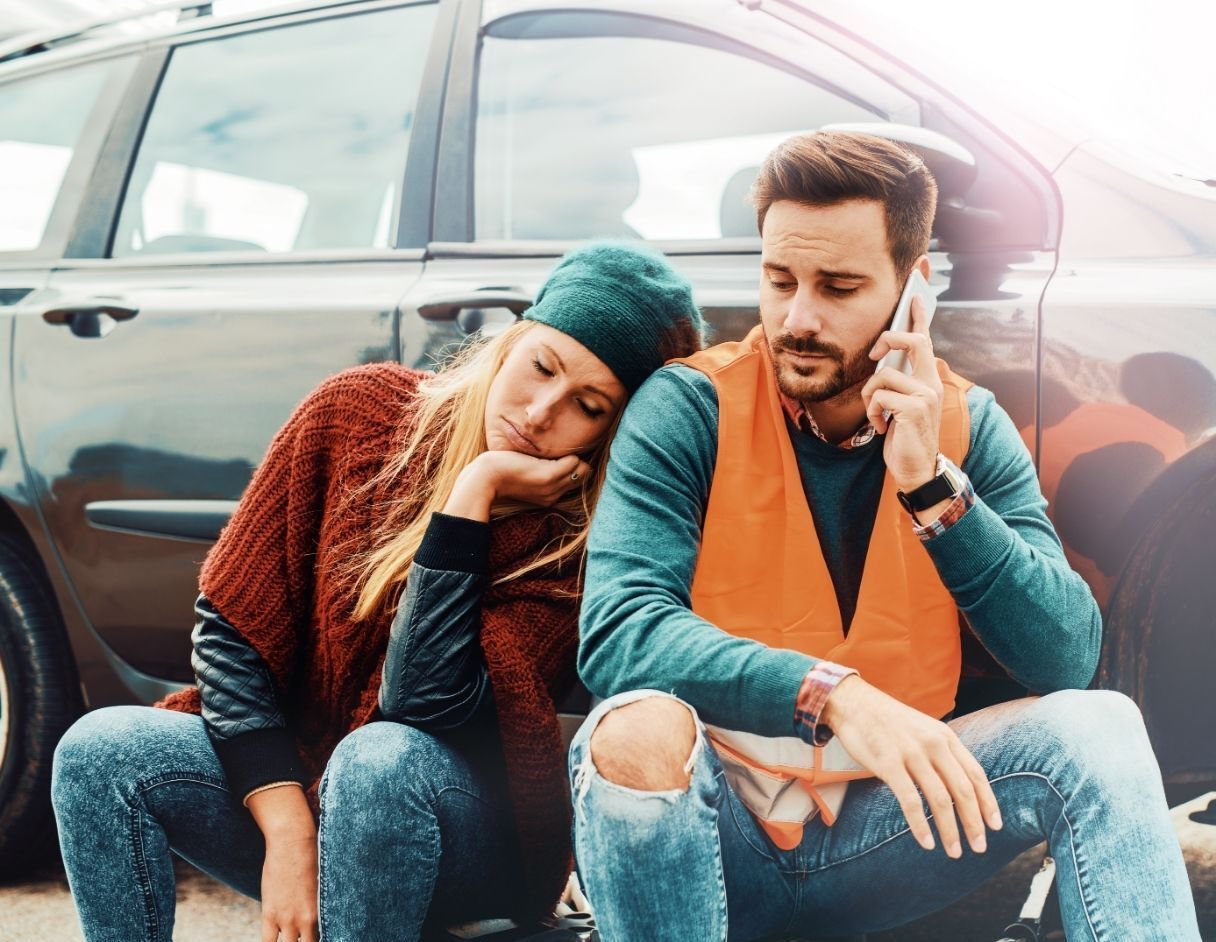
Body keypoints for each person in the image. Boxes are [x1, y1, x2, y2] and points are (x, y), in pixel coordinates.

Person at [570, 132, 1200, 941]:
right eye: (778, 280)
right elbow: (620, 631)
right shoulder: (686, 407)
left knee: (1101, 729)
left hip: (887, 833)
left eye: (838, 287)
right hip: (716, 841)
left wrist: (931, 489)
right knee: (633, 735)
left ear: (914, 291)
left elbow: (1068, 657)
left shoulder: (966, 425)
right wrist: (834, 697)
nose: (798, 318)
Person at [50, 241, 704, 942]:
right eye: (541, 366)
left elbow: (420, 703)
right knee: (99, 751)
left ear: (612, 432)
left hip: (458, 828)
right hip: (311, 791)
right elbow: (230, 630)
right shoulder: (355, 413)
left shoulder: (578, 545)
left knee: (378, 761)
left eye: (589, 405)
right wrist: (289, 832)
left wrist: (471, 496)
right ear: (512, 341)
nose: (543, 411)